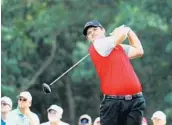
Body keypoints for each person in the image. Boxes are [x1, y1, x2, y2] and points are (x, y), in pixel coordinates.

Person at [82, 20, 146, 125]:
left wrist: (129, 31)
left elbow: (139, 51)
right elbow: (120, 36)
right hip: (114, 103)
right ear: (88, 38)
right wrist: (124, 28)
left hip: (135, 100)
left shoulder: (118, 47)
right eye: (89, 33)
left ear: (103, 30)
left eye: (95, 29)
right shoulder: (98, 44)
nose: (92, 33)